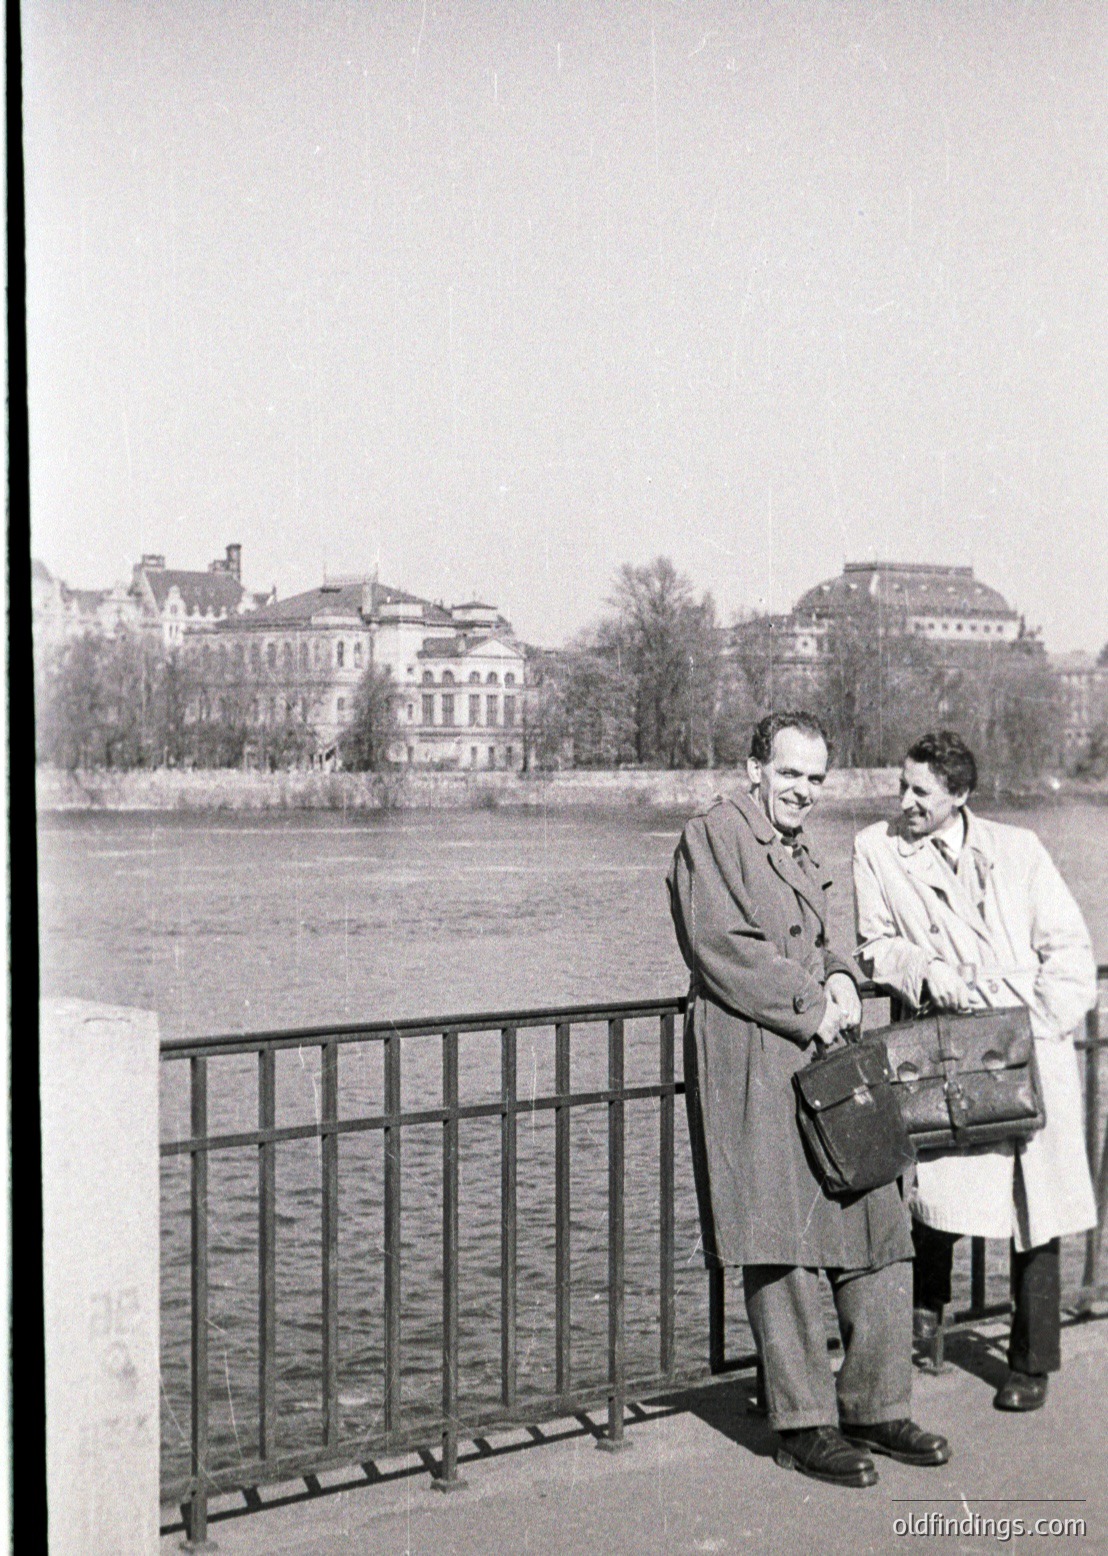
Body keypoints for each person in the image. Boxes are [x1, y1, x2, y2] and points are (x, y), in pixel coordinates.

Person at [668, 711, 949, 1487]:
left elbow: (814, 939)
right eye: (789, 773)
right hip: (756, 1063)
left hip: (814, 1060)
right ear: (754, 768)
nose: (803, 790)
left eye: (816, 778)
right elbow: (722, 946)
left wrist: (837, 977)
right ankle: (803, 1423)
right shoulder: (714, 834)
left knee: (878, 1219)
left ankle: (876, 1404)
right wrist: (811, 1000)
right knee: (780, 1244)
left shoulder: (788, 844)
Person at [853, 730, 1098, 1412]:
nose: (904, 801)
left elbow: (1070, 949)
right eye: (902, 785)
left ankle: (1031, 1362)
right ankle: (925, 1318)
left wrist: (1036, 1026)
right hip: (947, 1045)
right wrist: (925, 969)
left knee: (1036, 1211)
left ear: (960, 796)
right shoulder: (876, 850)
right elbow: (874, 944)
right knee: (937, 1195)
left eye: (921, 792)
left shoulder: (1018, 850)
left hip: (1027, 1045)